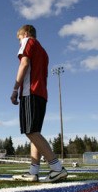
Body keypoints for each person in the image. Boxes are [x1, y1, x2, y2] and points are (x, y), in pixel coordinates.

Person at [10, 25, 67, 183]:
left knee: (31, 132)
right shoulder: (43, 50)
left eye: (19, 38)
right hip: (41, 94)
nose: (19, 42)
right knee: (34, 132)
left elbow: (24, 63)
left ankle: (57, 168)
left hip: (31, 92)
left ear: (26, 33)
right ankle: (33, 172)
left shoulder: (28, 41)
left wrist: (15, 89)